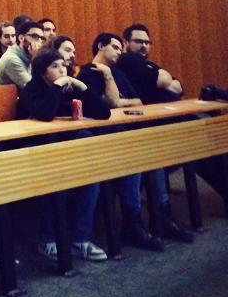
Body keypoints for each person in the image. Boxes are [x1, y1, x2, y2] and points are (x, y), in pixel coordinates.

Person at [76, 32, 166, 252]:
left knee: (155, 154)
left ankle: (162, 215)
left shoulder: (119, 73)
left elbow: (138, 101)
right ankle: (132, 224)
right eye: (115, 47)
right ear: (100, 46)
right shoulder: (87, 73)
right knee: (133, 153)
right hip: (101, 137)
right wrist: (108, 78)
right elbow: (110, 104)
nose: (119, 52)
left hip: (123, 132)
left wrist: (119, 99)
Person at [17, 48, 109, 262]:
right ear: (42, 72)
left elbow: (103, 113)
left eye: (64, 66)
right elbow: (45, 114)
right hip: (37, 153)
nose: (62, 70)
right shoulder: (31, 90)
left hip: (67, 151)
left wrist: (83, 88)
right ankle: (47, 239)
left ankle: (80, 240)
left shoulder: (71, 88)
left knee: (91, 181)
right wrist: (57, 87)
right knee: (58, 180)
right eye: (55, 66)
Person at [117, 24, 193, 242]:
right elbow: (165, 81)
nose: (144, 46)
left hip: (158, 126)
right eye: (138, 41)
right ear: (126, 43)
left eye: (147, 42)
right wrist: (163, 82)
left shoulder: (147, 64)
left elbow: (178, 86)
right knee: (152, 155)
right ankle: (158, 218)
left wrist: (164, 81)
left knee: (200, 129)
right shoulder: (127, 60)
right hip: (138, 129)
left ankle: (162, 217)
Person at [0, 20, 45, 87]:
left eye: (42, 38)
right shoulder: (11, 60)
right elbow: (35, 88)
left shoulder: (28, 56)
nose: (39, 41)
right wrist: (36, 58)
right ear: (21, 38)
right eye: (35, 36)